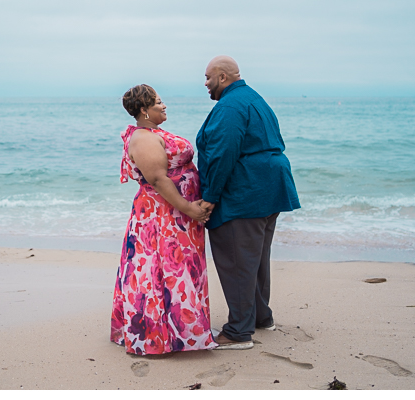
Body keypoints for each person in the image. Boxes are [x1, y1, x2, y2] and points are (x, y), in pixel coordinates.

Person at [196, 57, 300, 350]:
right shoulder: (253, 98)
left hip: (245, 191)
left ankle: (239, 331)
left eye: (208, 77)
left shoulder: (229, 106)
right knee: (254, 257)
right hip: (268, 188)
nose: (205, 83)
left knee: (237, 259)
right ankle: (260, 317)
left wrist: (210, 197)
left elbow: (222, 153)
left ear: (223, 76)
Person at [111, 84, 217, 355]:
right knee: (165, 269)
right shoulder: (143, 138)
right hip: (162, 216)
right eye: (159, 102)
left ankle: (183, 329)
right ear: (144, 110)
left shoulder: (153, 133)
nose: (164, 105)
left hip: (174, 214)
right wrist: (188, 208)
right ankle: (160, 335)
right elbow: (157, 179)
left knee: (179, 268)